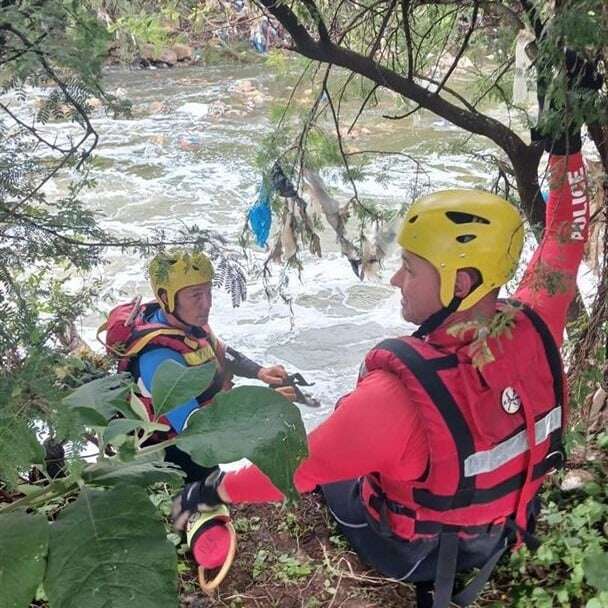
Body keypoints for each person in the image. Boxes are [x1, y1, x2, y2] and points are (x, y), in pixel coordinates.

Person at [171, 67, 597, 606]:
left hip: (419, 550)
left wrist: (208, 490)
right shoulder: (536, 320)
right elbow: (564, 232)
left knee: (336, 478)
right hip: (505, 528)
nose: (396, 278)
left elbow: (292, 471)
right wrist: (565, 138)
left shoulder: (392, 401)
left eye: (410, 269)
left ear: (460, 283)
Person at [101, 248, 296, 481]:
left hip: (202, 439)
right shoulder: (159, 358)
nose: (206, 304)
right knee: (206, 506)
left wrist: (259, 372)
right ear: (166, 298)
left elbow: (218, 349)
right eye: (195, 296)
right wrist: (263, 408)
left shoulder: (187, 323)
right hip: (176, 460)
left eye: (208, 293)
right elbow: (195, 430)